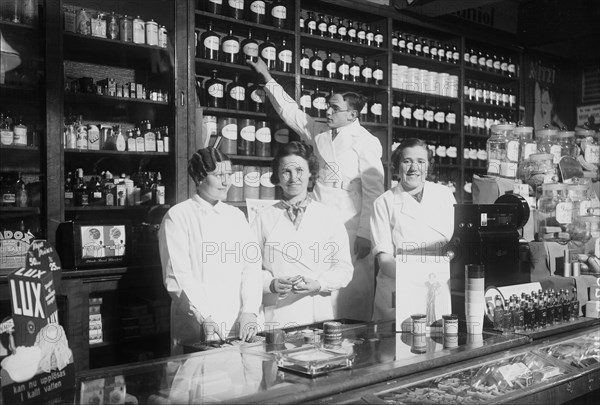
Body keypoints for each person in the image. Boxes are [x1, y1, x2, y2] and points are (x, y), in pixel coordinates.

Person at [248, 57, 385, 321]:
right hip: (318, 217)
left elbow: (374, 192)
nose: (328, 112)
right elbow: (291, 111)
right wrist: (267, 77)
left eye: (334, 108)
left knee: (350, 295)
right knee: (316, 290)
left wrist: (366, 233)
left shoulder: (366, 142)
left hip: (352, 225)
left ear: (352, 115)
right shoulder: (320, 132)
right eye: (328, 107)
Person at [158, 147, 262, 354]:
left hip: (238, 321)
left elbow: (251, 267)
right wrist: (204, 316)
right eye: (218, 175)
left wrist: (249, 311)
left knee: (239, 383)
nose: (226, 182)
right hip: (197, 321)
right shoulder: (178, 216)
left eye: (229, 175)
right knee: (199, 381)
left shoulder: (236, 216)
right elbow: (176, 275)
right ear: (199, 178)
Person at [252, 141, 353, 328]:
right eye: (286, 172)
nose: (293, 178)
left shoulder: (328, 216)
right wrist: (271, 284)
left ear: (310, 173)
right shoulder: (263, 218)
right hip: (278, 316)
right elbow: (249, 269)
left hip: (317, 313)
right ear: (277, 176)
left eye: (299, 170)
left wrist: (319, 283)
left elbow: (344, 269)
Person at [370, 138, 455, 321]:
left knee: (437, 343)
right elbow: (384, 261)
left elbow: (456, 243)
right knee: (395, 344)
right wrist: (418, 277)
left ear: (428, 167)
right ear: (397, 165)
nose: (413, 168)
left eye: (420, 162)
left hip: (437, 284)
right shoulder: (384, 202)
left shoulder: (444, 196)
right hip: (399, 287)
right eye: (407, 161)